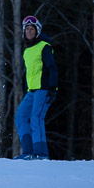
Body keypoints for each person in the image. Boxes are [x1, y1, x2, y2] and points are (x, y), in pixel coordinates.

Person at [14, 15, 58, 160]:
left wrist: (53, 88)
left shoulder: (44, 47)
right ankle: (28, 152)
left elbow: (52, 68)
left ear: (37, 30)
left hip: (44, 89)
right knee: (20, 116)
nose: (29, 31)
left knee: (36, 118)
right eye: (27, 29)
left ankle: (41, 154)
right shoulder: (27, 50)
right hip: (31, 91)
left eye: (32, 29)